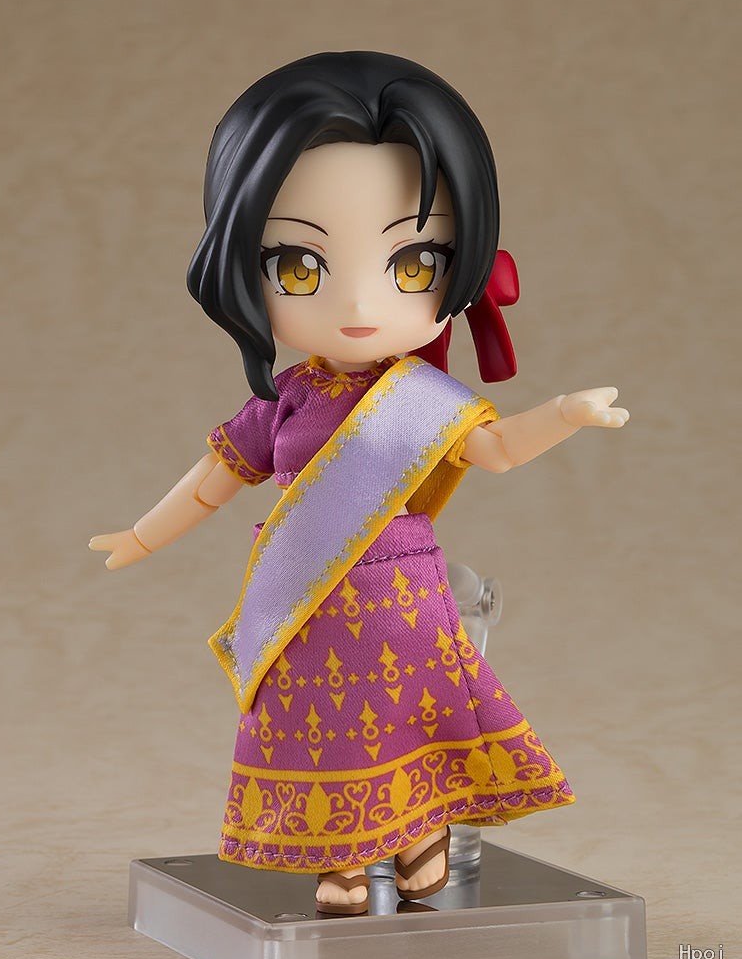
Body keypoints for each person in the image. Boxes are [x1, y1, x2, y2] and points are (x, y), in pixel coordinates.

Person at [90, 52, 628, 915]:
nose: (356, 304)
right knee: (321, 736)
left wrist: (562, 412)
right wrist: (144, 532)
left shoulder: (425, 401)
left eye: (412, 264)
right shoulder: (288, 399)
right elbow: (219, 473)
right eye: (299, 266)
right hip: (307, 607)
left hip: (404, 603)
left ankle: (421, 836)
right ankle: (338, 856)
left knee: (416, 719)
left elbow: (494, 451)